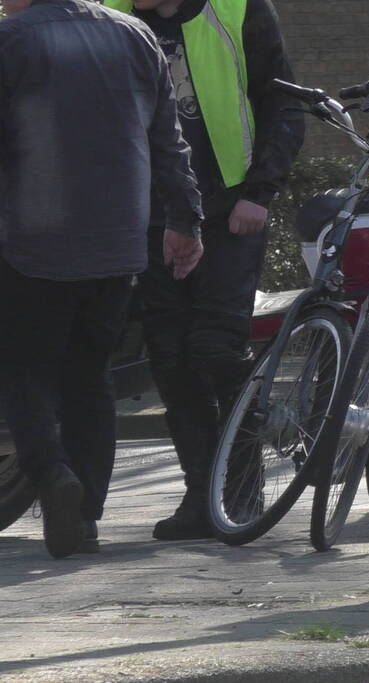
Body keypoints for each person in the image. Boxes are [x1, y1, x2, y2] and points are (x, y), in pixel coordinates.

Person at [0, 0, 204, 558]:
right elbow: (169, 140)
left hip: (28, 239)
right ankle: (84, 515)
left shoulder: (11, 40)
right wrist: (185, 220)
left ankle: (53, 475)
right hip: (116, 241)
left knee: (26, 373)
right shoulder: (135, 36)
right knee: (90, 378)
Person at [103, 0, 305, 540]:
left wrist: (261, 192)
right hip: (150, 211)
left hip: (229, 208)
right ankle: (202, 492)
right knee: (169, 357)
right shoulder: (111, 13)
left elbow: (282, 103)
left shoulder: (238, 10)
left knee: (215, 348)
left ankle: (240, 484)